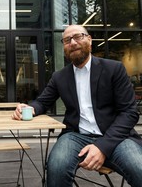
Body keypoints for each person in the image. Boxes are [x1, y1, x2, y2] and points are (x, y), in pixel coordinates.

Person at [13, 25, 142, 187]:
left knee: (140, 168)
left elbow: (129, 113)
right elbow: (42, 102)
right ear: (64, 47)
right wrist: (30, 108)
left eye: (78, 37)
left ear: (89, 40)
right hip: (75, 135)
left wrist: (101, 147)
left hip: (115, 135)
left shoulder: (113, 69)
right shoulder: (59, 76)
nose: (72, 42)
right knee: (56, 167)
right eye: (67, 40)